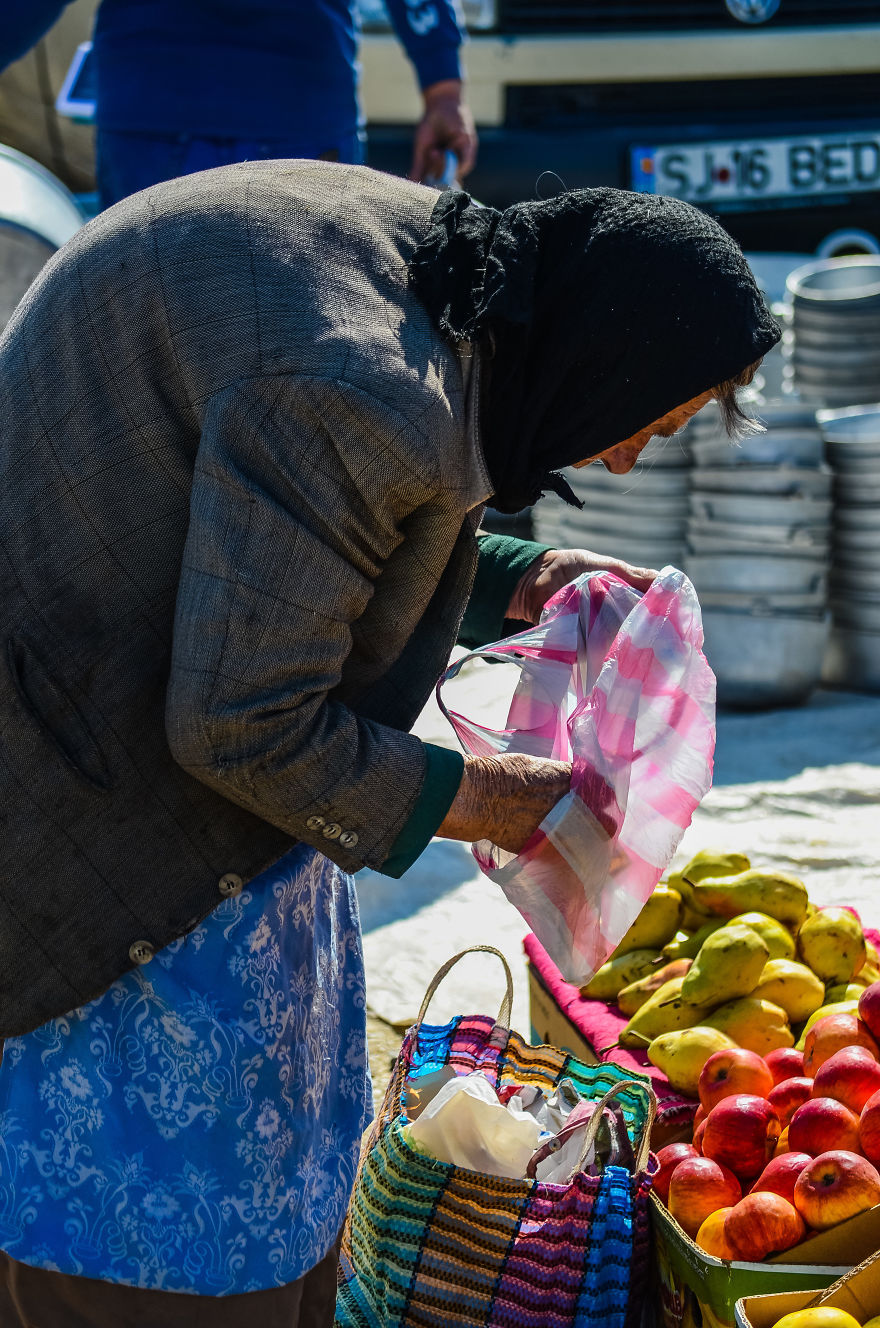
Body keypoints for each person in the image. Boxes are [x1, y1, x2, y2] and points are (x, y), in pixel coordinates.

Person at [0, 161, 779, 1324]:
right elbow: (242, 726)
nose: (624, 460)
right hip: (81, 751)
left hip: (151, 655)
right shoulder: (366, 383)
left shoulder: (473, 274)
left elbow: (299, 528)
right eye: (648, 421)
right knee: (140, 1223)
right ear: (597, 358)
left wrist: (514, 575)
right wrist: (500, 798)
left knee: (281, 1150)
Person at [0, 0, 478, 207]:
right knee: (303, 350)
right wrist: (441, 85)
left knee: (147, 350)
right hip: (298, 110)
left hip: (156, 111)